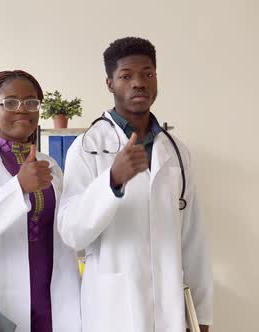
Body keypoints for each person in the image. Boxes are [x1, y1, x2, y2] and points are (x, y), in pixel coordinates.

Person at [59, 37, 213, 332]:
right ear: (110, 84)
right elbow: (71, 233)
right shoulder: (87, 147)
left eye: (147, 74)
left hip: (170, 314)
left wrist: (200, 315)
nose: (139, 83)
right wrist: (112, 181)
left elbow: (193, 240)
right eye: (126, 76)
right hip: (114, 311)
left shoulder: (176, 151)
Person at [0, 70, 81, 332]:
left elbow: (68, 227)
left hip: (53, 294)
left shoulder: (52, 166)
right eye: (10, 102)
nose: (22, 110)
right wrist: (18, 188)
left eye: (31, 102)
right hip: (2, 300)